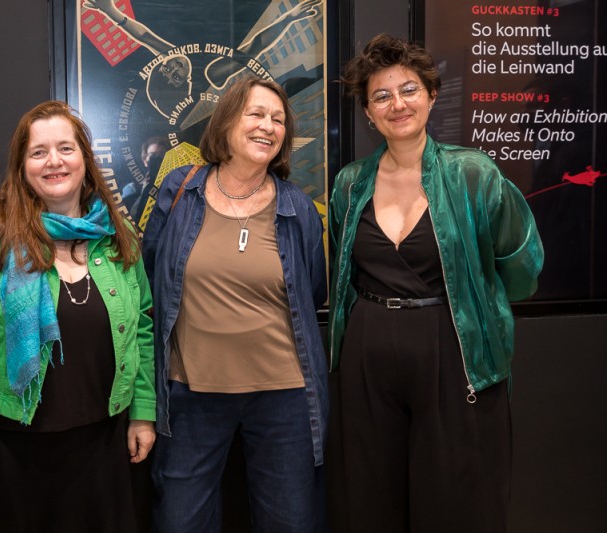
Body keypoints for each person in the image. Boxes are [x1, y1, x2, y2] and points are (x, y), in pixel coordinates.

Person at [328, 34, 544, 532]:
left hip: (454, 350)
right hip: (367, 357)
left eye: (408, 90)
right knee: (370, 494)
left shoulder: (474, 174)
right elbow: (344, 264)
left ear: (431, 96)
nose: (396, 104)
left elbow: (521, 267)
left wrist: (474, 300)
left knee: (456, 496)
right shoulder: (349, 183)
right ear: (367, 112)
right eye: (381, 96)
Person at [0, 101, 155, 532]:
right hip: (12, 449)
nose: (54, 161)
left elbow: (142, 326)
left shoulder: (117, 237)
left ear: (85, 160)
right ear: (22, 167)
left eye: (66, 148)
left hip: (102, 443)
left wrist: (143, 411)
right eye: (38, 152)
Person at [142, 77, 328, 532]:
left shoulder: (298, 208)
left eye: (278, 119)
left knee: (291, 522)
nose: (268, 126)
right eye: (256, 114)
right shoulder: (178, 191)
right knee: (179, 520)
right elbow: (152, 279)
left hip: (283, 398)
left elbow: (313, 292)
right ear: (226, 121)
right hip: (191, 394)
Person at [83, 0, 321, 118]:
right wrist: (288, 19)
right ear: (186, 84)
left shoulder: (175, 57)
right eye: (175, 76)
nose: (172, 66)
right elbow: (254, 46)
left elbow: (144, 35)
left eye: (164, 69)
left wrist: (110, 11)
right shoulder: (208, 74)